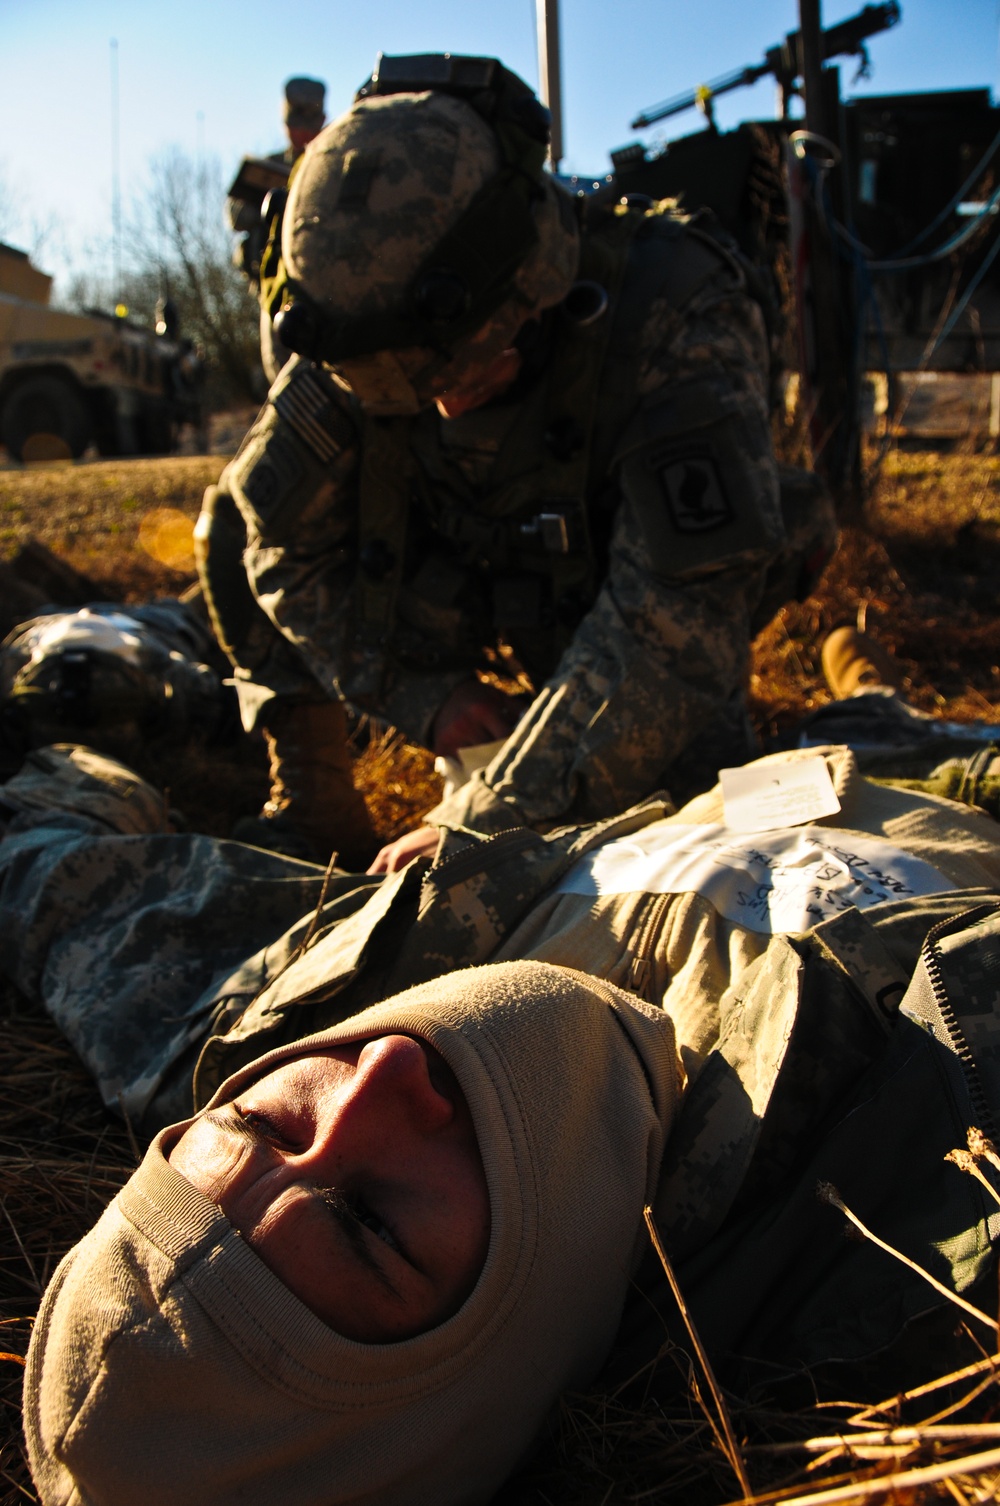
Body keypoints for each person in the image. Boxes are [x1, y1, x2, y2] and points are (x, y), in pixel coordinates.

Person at [5, 731, 1000, 1505]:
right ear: (492, 1383)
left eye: (265, 1125)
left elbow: (44, 867)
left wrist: (476, 859)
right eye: (373, 1223)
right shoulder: (921, 1215)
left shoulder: (242, 1010)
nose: (383, 1067)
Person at [199, 52, 836, 872]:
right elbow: (283, 551)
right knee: (228, 521)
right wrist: (425, 701)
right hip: (465, 571)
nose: (446, 407)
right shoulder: (356, 304)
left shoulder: (677, 308)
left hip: (624, 588)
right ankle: (314, 798)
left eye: (469, 371)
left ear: (532, 284)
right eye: (411, 391)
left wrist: (488, 821)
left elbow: (676, 619)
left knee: (687, 817)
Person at [226, 76, 328, 382]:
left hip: (321, 286)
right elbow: (235, 214)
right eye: (295, 126)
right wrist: (271, 201)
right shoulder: (267, 166)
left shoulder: (329, 164)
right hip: (274, 288)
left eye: (309, 126)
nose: (302, 134)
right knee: (282, 377)